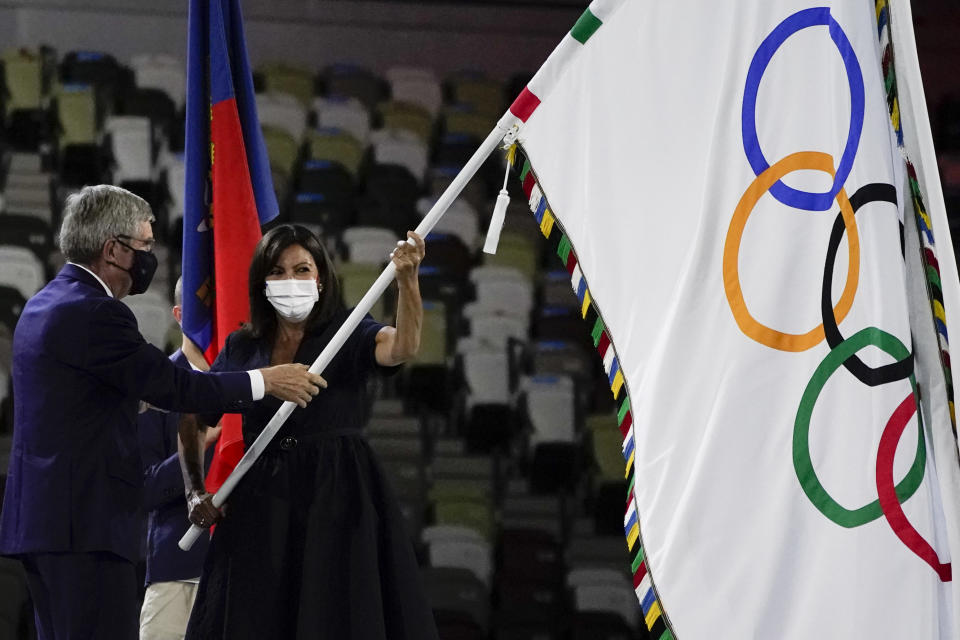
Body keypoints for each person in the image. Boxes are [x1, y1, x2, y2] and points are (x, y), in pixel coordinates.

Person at [0, 185, 326, 640]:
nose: (150, 257)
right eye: (145, 246)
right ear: (113, 250)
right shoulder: (95, 312)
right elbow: (175, 385)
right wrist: (265, 381)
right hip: (84, 528)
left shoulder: (43, 303)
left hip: (45, 524)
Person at [180, 224, 439, 639]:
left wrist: (408, 280)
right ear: (261, 281)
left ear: (321, 277)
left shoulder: (347, 331)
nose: (291, 281)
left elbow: (402, 347)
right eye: (278, 271)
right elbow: (194, 418)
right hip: (260, 504)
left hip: (336, 499)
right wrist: (194, 489)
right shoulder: (242, 346)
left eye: (302, 270)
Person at [138, 278, 220, 640]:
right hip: (177, 568)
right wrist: (199, 444)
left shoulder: (257, 381)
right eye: (204, 305)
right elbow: (146, 488)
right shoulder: (155, 385)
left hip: (246, 567)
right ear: (178, 314)